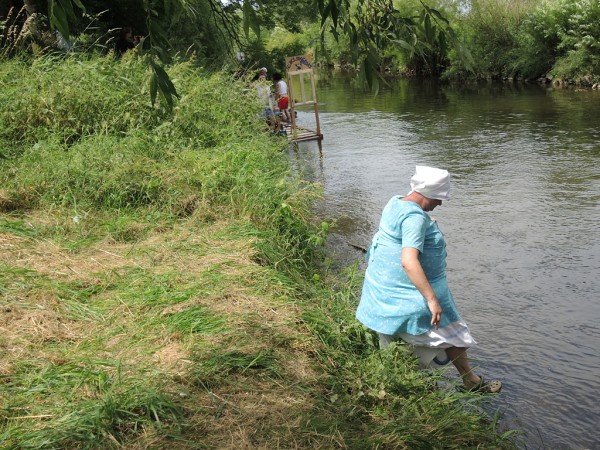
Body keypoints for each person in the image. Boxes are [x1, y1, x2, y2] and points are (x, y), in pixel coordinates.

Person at [356, 166, 502, 393]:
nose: (440, 204)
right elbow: (408, 261)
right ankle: (468, 382)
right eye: (439, 198)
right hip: (406, 298)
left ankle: (448, 381)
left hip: (381, 292)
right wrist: (432, 299)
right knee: (453, 334)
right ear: (429, 194)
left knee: (440, 336)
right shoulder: (414, 218)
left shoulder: (395, 202)